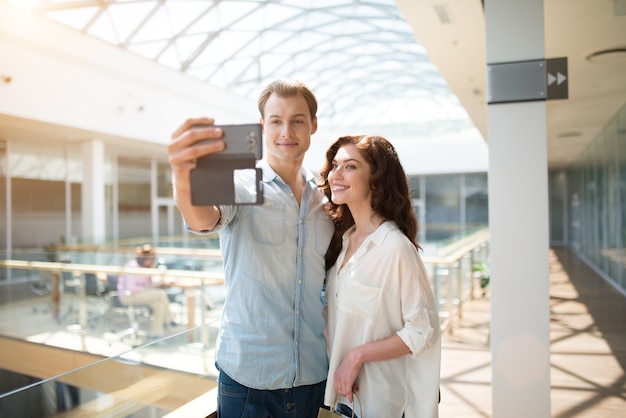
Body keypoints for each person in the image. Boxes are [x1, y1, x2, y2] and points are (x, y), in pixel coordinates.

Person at [167, 79, 334, 417]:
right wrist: (182, 175)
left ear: (313, 125)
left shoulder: (326, 199)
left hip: (313, 375)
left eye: (297, 120)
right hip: (249, 381)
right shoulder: (241, 185)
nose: (286, 130)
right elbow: (202, 218)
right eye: (275, 121)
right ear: (262, 127)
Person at [318, 135, 441, 418]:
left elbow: (422, 329)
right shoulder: (345, 240)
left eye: (350, 166)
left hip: (381, 402)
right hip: (344, 398)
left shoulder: (395, 247)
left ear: (376, 179)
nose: (336, 174)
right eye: (335, 166)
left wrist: (357, 356)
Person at [116, 244, 177, 339]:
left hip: (139, 295)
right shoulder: (132, 266)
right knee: (160, 294)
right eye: (150, 259)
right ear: (143, 257)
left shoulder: (145, 267)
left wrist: (160, 279)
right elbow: (132, 288)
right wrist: (146, 288)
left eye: (153, 259)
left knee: (159, 305)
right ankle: (170, 320)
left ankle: (157, 335)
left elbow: (149, 284)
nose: (152, 261)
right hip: (128, 296)